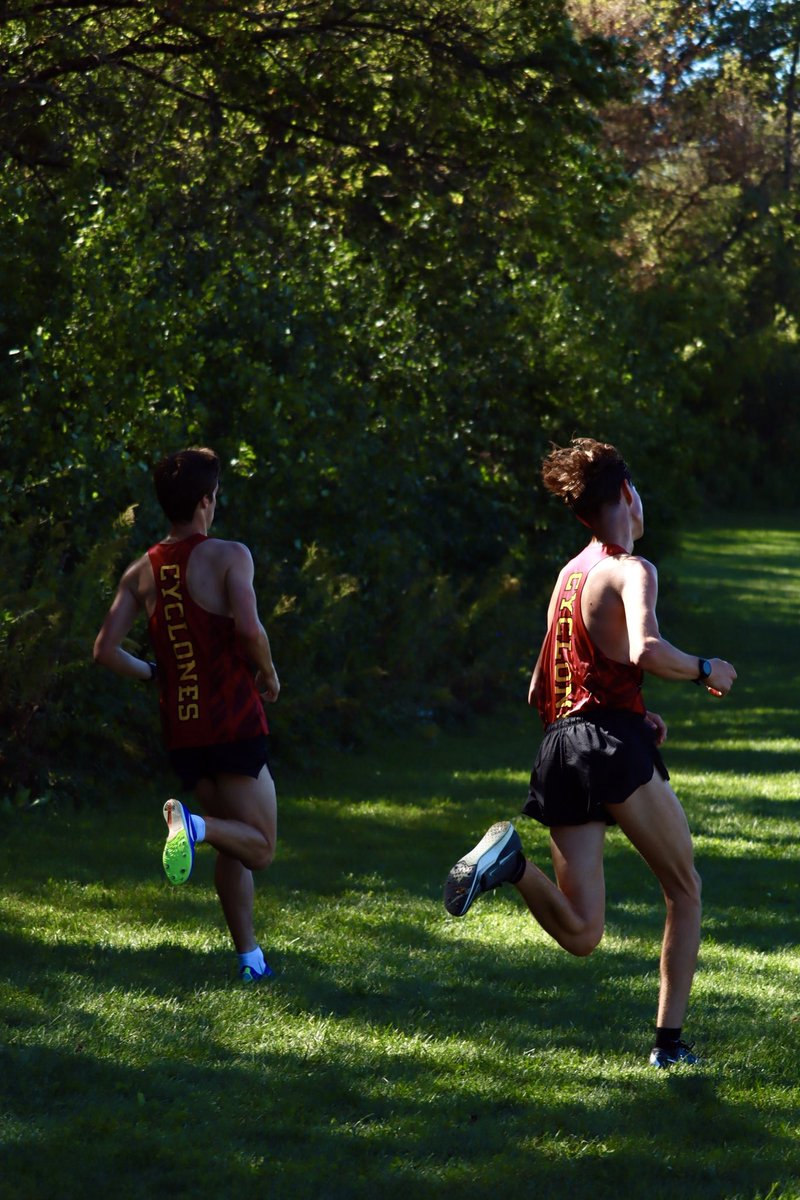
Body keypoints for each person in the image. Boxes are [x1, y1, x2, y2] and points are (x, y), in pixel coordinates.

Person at [443, 437, 736, 1067]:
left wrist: (627, 712)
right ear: (628, 493)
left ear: (581, 513)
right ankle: (669, 1047)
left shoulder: (568, 577)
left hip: (560, 748)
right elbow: (647, 651)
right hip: (606, 746)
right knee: (685, 889)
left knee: (582, 932)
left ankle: (511, 865)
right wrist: (706, 667)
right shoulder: (632, 569)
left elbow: (539, 687)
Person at [93, 446, 280, 983]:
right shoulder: (229, 555)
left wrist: (155, 674)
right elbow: (249, 631)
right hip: (234, 721)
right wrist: (267, 673)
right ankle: (191, 825)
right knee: (260, 847)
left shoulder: (140, 571)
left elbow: (104, 649)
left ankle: (250, 961)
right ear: (206, 501)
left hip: (184, 728)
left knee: (233, 840)